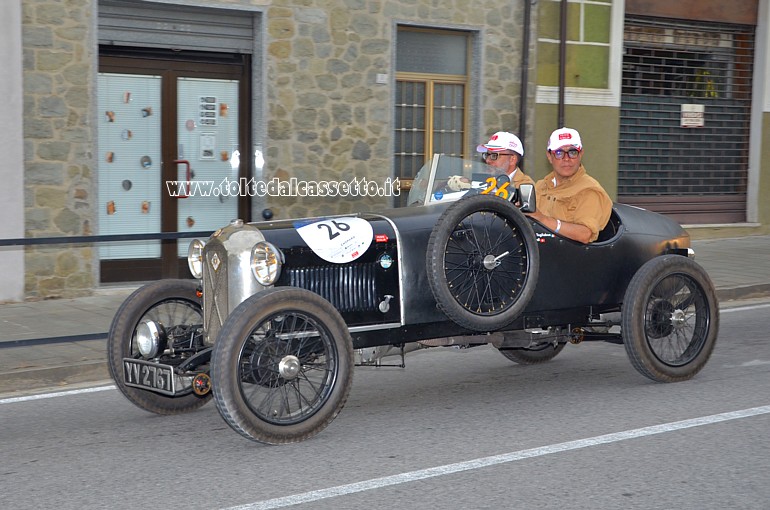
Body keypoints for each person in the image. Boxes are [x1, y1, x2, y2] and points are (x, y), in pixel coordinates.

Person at [526, 127, 612, 244]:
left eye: (572, 152)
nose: (566, 159)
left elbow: (584, 234)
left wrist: (543, 219)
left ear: (581, 154)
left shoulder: (589, 190)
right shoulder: (541, 186)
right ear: (549, 156)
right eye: (559, 153)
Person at [446, 131, 534, 192]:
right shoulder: (487, 180)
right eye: (487, 155)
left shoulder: (525, 187)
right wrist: (466, 184)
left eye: (494, 156)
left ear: (512, 159)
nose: (487, 160)